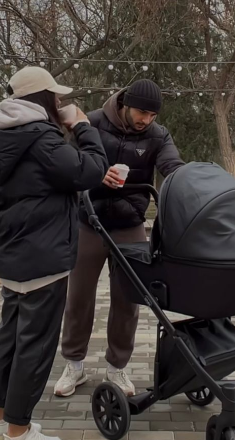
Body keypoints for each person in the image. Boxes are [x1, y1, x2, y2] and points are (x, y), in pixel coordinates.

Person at [0, 66, 108, 440]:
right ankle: (18, 438)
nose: (60, 102)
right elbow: (89, 171)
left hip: (14, 253)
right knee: (34, 345)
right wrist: (84, 127)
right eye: (55, 96)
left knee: (10, 338)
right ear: (41, 98)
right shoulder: (39, 137)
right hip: (43, 255)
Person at [55, 79, 184, 398]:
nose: (147, 120)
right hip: (88, 220)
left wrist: (188, 181)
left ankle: (118, 368)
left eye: (153, 115)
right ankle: (74, 364)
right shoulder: (92, 122)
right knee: (78, 297)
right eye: (142, 112)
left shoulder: (158, 135)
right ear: (125, 104)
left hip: (130, 224)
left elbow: (172, 166)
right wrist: (98, 174)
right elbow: (68, 166)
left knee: (128, 300)